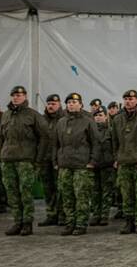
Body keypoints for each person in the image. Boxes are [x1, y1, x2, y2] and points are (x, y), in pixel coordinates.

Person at [0, 86, 49, 236]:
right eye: (13, 95)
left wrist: (38, 159)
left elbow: (45, 137)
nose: (16, 97)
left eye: (19, 95)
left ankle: (27, 222)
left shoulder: (33, 115)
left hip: (25, 160)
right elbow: (1, 139)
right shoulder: (6, 115)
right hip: (7, 159)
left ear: (25, 96)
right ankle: (17, 221)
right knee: (12, 192)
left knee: (25, 192)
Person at [53, 93, 99, 236]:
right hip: (65, 165)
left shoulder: (88, 121)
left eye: (74, 102)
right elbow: (55, 144)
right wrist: (55, 161)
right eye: (69, 102)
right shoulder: (61, 122)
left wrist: (92, 162)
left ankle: (80, 224)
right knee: (67, 195)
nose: (71, 104)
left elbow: (96, 143)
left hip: (82, 165)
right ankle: (70, 223)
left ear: (80, 104)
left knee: (81, 196)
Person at [110, 89, 137, 234]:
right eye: (126, 99)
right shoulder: (117, 119)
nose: (128, 101)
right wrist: (116, 158)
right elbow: (114, 141)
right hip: (124, 162)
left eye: (131, 99)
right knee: (126, 193)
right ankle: (128, 221)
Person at [39, 94, 65, 227]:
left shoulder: (64, 119)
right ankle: (51, 214)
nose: (50, 106)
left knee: (60, 188)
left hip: (59, 160)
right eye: (49, 103)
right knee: (48, 188)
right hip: (45, 159)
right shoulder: (41, 120)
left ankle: (62, 215)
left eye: (54, 103)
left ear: (59, 104)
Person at [90, 108, 115, 227]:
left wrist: (115, 160)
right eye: (96, 115)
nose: (98, 117)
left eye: (100, 115)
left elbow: (116, 146)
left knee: (106, 191)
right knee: (95, 192)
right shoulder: (90, 132)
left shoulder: (111, 131)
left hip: (107, 165)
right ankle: (96, 215)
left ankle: (104, 215)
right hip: (93, 165)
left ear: (106, 116)